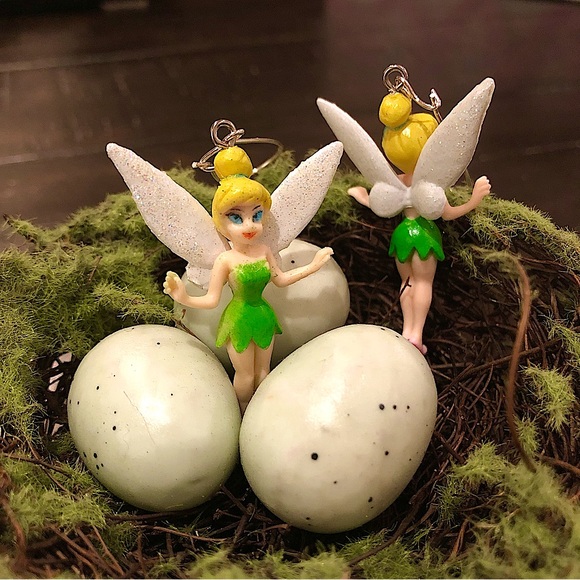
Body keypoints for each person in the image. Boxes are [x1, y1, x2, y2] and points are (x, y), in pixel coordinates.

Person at [163, 146, 333, 411]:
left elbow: (281, 279)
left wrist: (313, 266)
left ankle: (262, 414)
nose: (250, 225)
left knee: (264, 372)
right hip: (239, 320)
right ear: (220, 222)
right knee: (244, 375)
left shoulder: (264, 250)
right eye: (236, 217)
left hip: (263, 316)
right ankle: (242, 410)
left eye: (257, 215)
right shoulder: (225, 260)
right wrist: (183, 296)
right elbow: (211, 300)